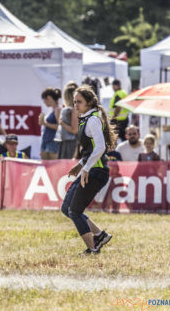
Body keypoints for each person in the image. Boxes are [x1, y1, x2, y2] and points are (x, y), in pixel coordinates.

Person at [61, 85, 116, 255]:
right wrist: (80, 165)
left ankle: (93, 249)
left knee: (75, 211)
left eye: (79, 102)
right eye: (74, 102)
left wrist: (85, 169)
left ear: (90, 103)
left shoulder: (92, 120)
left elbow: (100, 148)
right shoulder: (86, 119)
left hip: (96, 172)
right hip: (90, 170)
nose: (75, 105)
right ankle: (100, 235)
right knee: (67, 209)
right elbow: (91, 150)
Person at [57, 82, 79, 159]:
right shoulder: (69, 109)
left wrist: (62, 123)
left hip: (70, 143)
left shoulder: (73, 110)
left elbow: (75, 130)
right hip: (64, 142)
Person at [39, 87, 62, 159]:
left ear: (49, 98)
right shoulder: (52, 110)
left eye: (44, 100)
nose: (44, 102)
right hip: (46, 140)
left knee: (53, 167)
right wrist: (43, 122)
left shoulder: (58, 109)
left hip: (53, 142)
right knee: (46, 166)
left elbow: (59, 127)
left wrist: (44, 123)